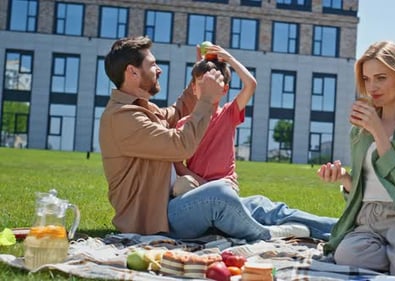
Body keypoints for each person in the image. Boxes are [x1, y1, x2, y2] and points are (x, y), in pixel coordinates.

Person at [100, 36, 337, 243]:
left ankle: (343, 228)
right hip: (154, 220)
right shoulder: (123, 118)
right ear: (132, 72)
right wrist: (206, 99)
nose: (159, 69)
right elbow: (180, 146)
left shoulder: (142, 109)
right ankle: (266, 234)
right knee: (219, 195)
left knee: (263, 205)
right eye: (152, 65)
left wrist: (200, 80)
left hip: (177, 204)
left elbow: (180, 110)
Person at [317, 41, 395, 278]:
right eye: (366, 79)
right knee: (346, 255)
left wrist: (379, 133)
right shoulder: (360, 129)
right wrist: (344, 177)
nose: (372, 87)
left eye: (381, 78)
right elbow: (365, 184)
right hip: (367, 219)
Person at [172, 45, 255, 196]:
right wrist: (203, 184)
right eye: (203, 84)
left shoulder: (229, 113)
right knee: (180, 186)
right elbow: (177, 163)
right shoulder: (184, 123)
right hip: (197, 184)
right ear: (194, 88)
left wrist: (229, 59)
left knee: (223, 192)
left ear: (224, 89)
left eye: (215, 83)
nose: (208, 88)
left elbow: (251, 84)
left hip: (224, 184)